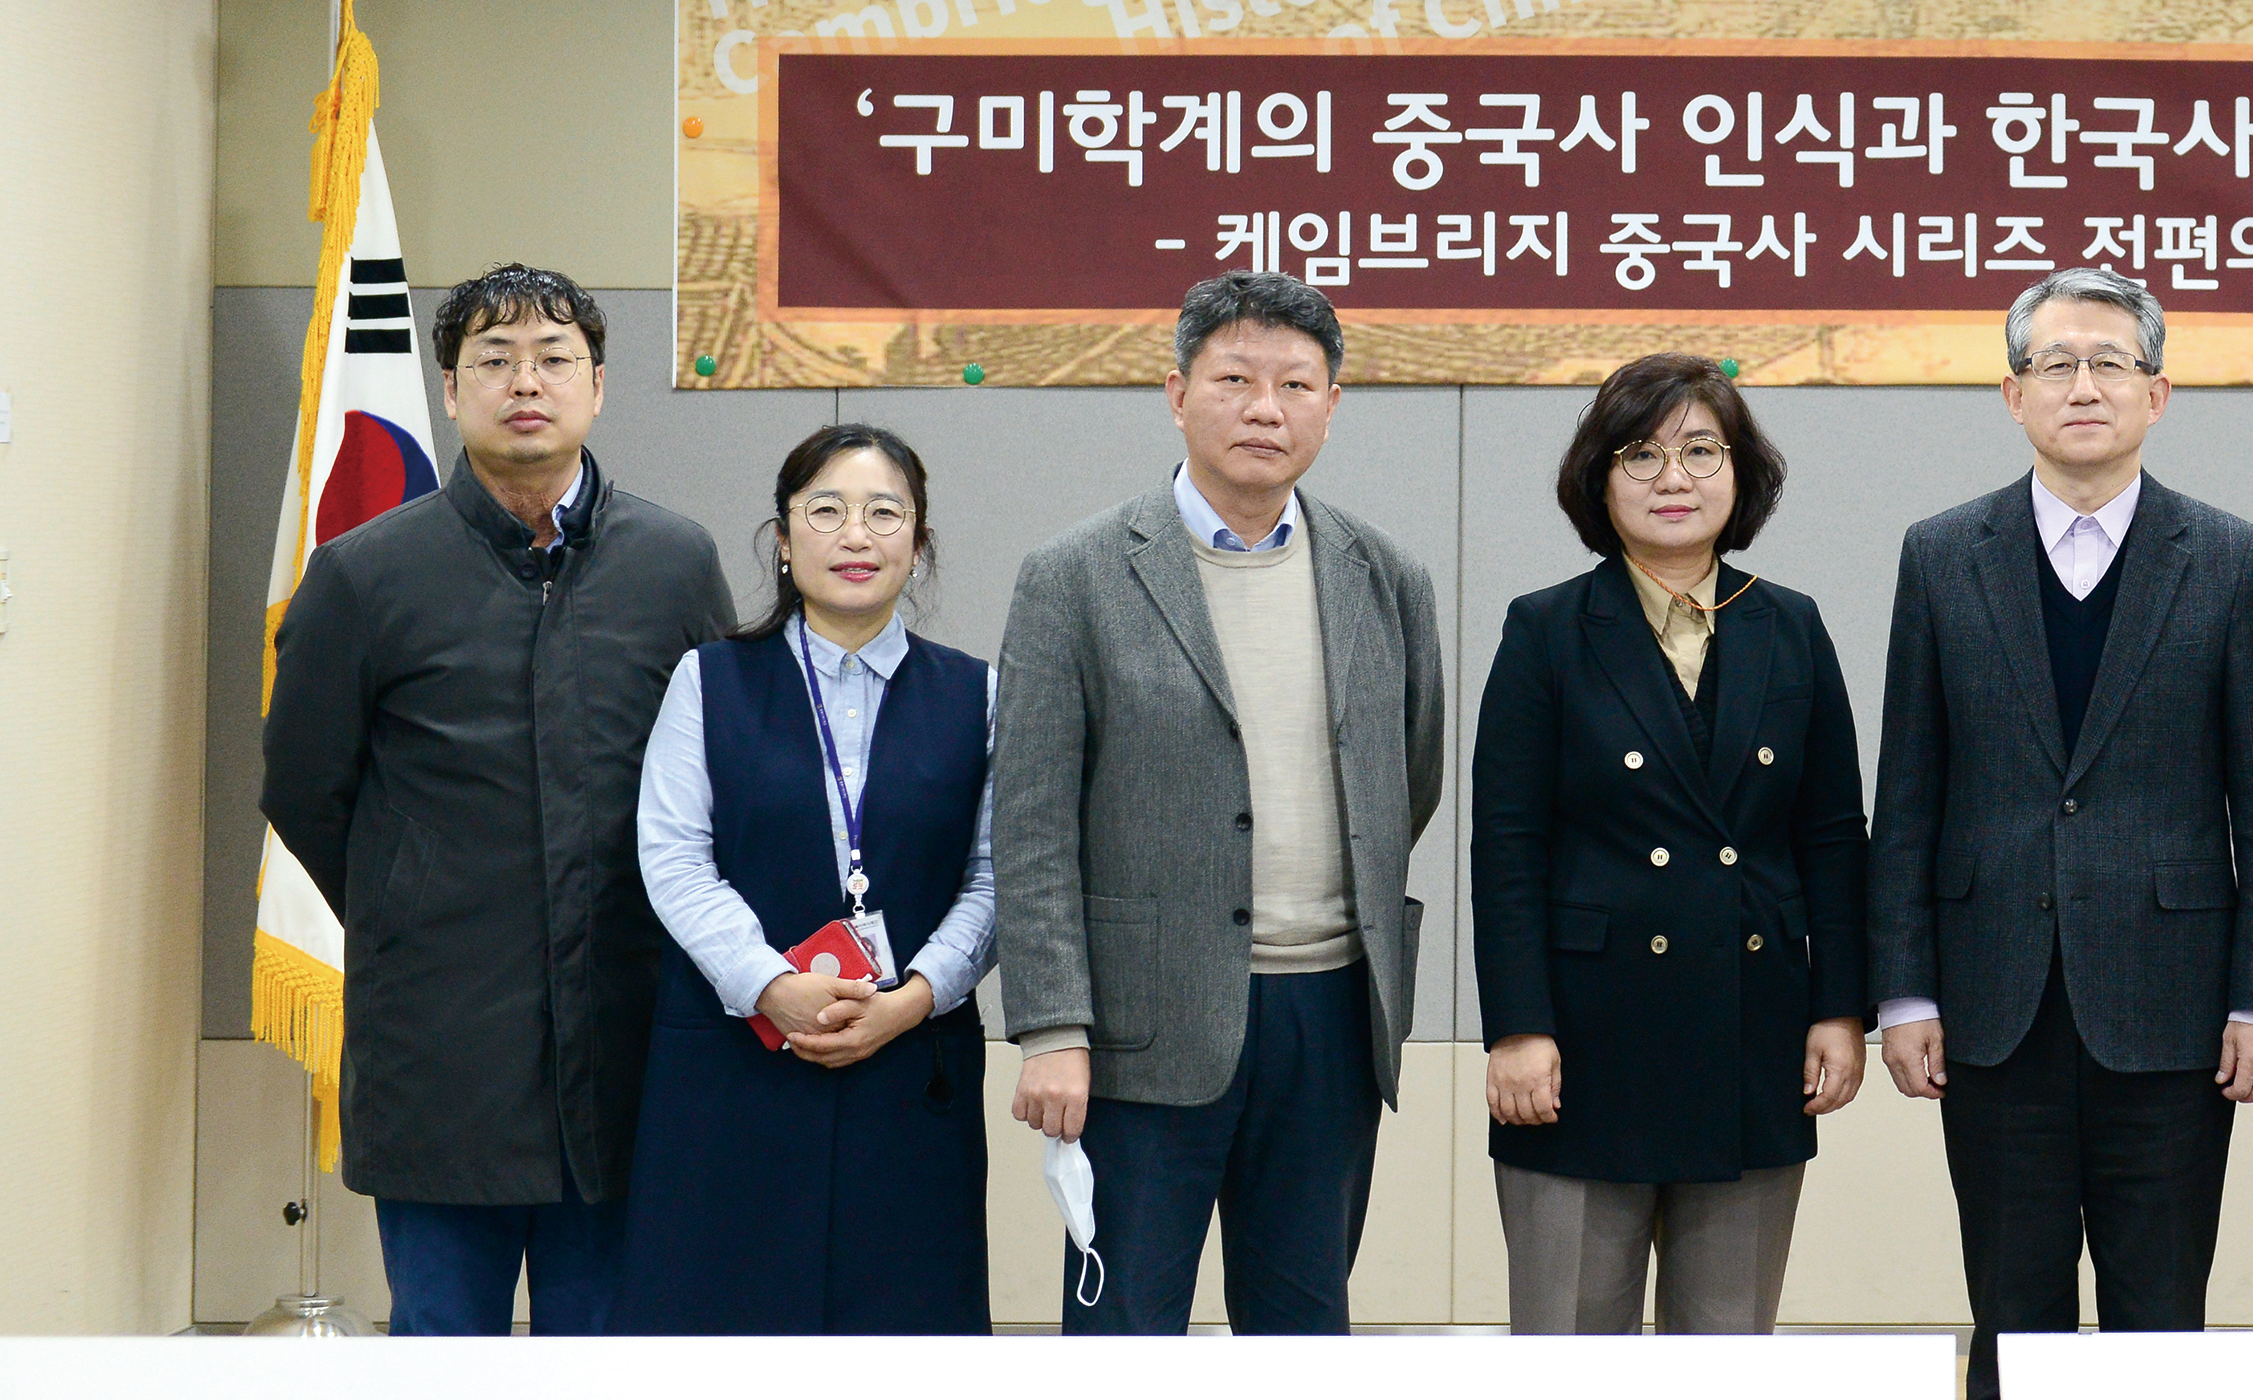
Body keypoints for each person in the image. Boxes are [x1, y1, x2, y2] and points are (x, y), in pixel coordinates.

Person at [1869, 267, 2253, 1400]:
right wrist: (1902, 991)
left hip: (2176, 1014)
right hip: (1988, 1007)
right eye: (2051, 364)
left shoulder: (2231, 558)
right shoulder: (1941, 554)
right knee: (2012, 1342)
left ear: (2156, 394)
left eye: (2109, 363)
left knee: (2158, 1342)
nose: (2080, 387)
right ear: (2009, 396)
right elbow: (1907, 796)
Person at [260, 266, 733, 1335]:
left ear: (600, 386)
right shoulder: (364, 572)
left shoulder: (673, 561)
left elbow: (721, 775)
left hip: (627, 1043)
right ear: (450, 384)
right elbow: (303, 787)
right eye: (495, 359)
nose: (527, 382)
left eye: (555, 359)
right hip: (441, 1044)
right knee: (444, 1385)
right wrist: (414, 896)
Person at [994, 271, 1447, 1335]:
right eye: (1234, 378)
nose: (1264, 408)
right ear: (1176, 392)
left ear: (1332, 407)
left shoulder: (1385, 574)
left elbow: (1405, 782)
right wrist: (1052, 1024)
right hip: (1140, 1025)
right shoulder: (1076, 573)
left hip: (1331, 1015)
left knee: (1301, 1339)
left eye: (1296, 384)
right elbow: (1032, 822)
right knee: (1124, 1339)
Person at [1473, 353, 1870, 1331]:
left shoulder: (1790, 626)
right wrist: (1517, 1026)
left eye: (1701, 450)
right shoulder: (1548, 629)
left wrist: (1839, 1007)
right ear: (1597, 479)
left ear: (1742, 477)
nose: (1673, 478)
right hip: (1579, 1045)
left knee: (1724, 1379)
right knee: (1571, 1373)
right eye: (1640, 454)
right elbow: (1507, 846)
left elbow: (1830, 835)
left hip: (1753, 1031)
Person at [620, 425, 998, 1332]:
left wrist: (915, 997)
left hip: (911, 1067)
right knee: (723, 1342)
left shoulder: (976, 694)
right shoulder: (709, 680)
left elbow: (994, 879)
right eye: (825, 511)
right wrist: (770, 986)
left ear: (920, 540)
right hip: (734, 1064)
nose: (855, 536)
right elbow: (672, 855)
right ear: (784, 540)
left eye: (884, 513)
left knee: (905, 1349)